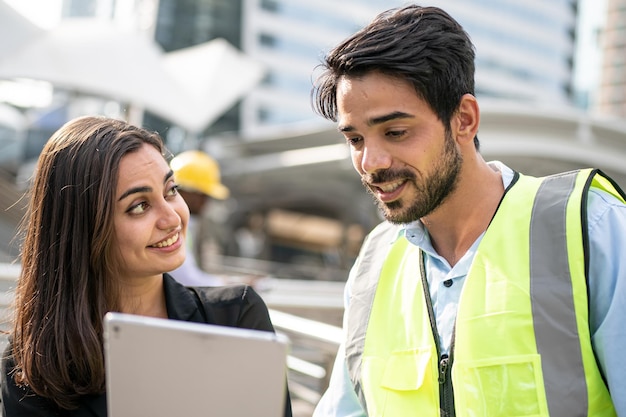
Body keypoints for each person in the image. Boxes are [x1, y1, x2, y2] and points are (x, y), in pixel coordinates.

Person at [311, 5, 625, 417]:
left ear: (464, 119)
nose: (371, 162)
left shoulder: (591, 226)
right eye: (355, 139)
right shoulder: (373, 262)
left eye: (396, 132)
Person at [1, 116, 292, 417]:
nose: (173, 218)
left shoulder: (236, 316)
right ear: (84, 229)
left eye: (171, 190)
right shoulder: (33, 360)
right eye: (139, 206)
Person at [168, 150, 229, 286]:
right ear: (185, 191)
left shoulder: (187, 225)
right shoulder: (171, 226)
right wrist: (224, 284)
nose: (205, 202)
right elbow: (185, 279)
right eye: (202, 195)